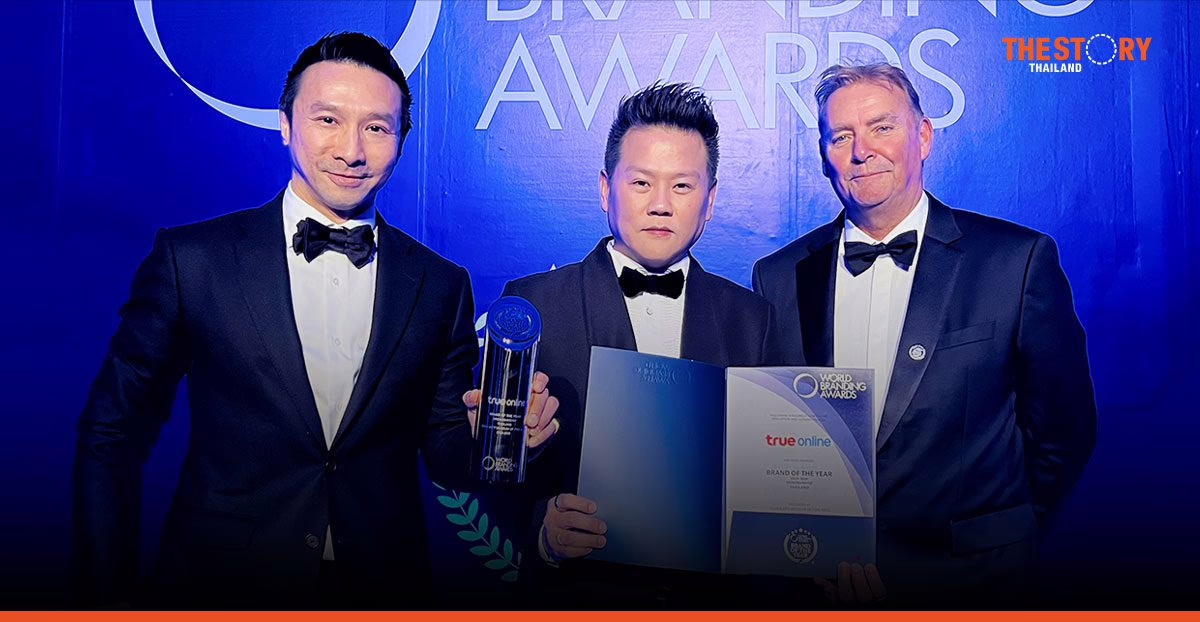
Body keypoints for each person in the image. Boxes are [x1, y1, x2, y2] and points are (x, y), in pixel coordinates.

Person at [73, 32, 559, 608]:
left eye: (376, 128)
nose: (351, 150)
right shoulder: (193, 261)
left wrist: (499, 437)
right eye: (328, 119)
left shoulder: (440, 284)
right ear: (285, 124)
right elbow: (112, 432)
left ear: (401, 141)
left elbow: (446, 452)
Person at [753, 63, 1097, 606]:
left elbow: (1064, 428)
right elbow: (779, 440)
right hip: (826, 585)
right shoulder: (778, 276)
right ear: (823, 156)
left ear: (924, 137)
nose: (861, 150)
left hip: (977, 585)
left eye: (882, 127)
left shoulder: (1016, 261)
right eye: (840, 136)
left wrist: (997, 535)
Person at [503, 82, 795, 607]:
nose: (660, 205)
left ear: (710, 201)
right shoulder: (533, 306)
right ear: (605, 189)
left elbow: (772, 482)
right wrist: (543, 534)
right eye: (641, 182)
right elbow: (495, 471)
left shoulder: (753, 319)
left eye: (682, 186)